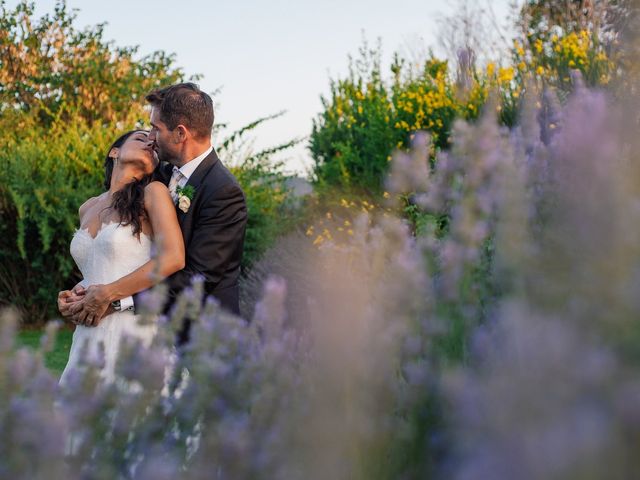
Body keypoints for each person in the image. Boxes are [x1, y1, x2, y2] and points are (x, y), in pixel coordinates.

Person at [62, 82, 248, 345]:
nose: (150, 137)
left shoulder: (223, 191)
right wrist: (83, 294)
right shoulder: (155, 178)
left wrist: (116, 301)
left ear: (180, 133)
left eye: (155, 128)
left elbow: (198, 278)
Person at [58, 130, 185, 383]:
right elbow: (100, 267)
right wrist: (75, 296)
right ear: (114, 152)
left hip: (135, 329)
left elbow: (173, 257)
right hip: (90, 333)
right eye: (140, 139)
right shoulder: (87, 207)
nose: (150, 143)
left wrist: (108, 293)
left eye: (153, 145)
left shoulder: (153, 193)